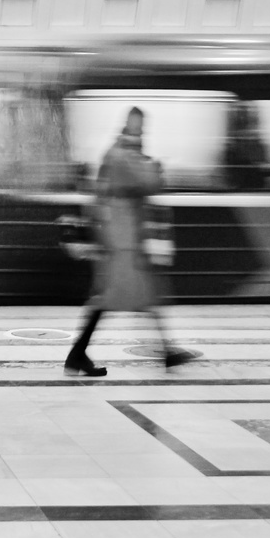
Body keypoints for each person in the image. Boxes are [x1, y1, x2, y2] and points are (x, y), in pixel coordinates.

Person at [65, 107, 191, 377]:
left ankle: (165, 352)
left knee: (137, 296)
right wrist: (156, 166)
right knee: (115, 298)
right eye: (139, 128)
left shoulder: (119, 154)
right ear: (130, 127)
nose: (142, 133)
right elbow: (150, 182)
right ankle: (77, 354)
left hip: (123, 238)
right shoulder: (122, 156)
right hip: (121, 241)